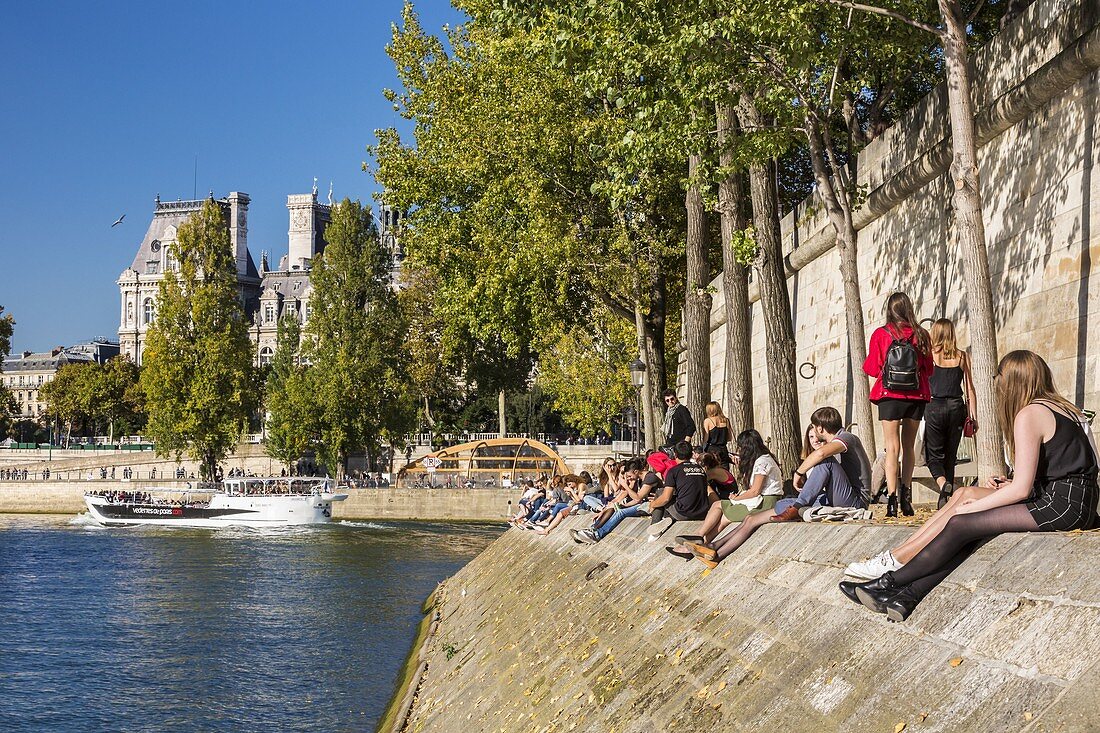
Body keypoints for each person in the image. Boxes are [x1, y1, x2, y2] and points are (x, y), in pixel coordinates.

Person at [841, 350, 1099, 622]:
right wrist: (1003, 485)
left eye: (999, 378)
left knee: (962, 524)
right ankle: (908, 595)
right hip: (1068, 499)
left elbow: (1022, 490)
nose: (997, 384)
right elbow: (1061, 467)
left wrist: (973, 508)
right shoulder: (1058, 407)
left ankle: (888, 583)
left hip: (1061, 506)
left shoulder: (1030, 414)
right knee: (967, 509)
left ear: (1011, 382)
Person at [689, 407, 870, 568]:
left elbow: (822, 454)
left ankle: (797, 507)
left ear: (821, 428)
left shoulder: (847, 437)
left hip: (855, 501)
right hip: (832, 498)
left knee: (825, 462)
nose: (813, 432)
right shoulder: (835, 442)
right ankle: (715, 550)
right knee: (753, 519)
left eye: (814, 428)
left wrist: (798, 473)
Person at [863, 292, 933, 517]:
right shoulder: (921, 334)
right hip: (915, 395)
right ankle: (906, 497)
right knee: (910, 448)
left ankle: (891, 499)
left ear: (889, 311)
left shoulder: (881, 334)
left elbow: (872, 368)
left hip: (889, 394)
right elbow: (929, 370)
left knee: (892, 448)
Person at [666, 430, 781, 558]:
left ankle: (697, 537)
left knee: (718, 505)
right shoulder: (762, 459)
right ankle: (698, 544)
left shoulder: (762, 462)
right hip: (761, 500)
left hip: (766, 502)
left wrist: (737, 498)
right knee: (723, 517)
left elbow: (755, 491)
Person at [924, 318, 977, 508]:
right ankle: (945, 499)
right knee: (950, 455)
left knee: (933, 456)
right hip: (956, 407)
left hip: (934, 407)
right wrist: (973, 415)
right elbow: (970, 389)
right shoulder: (962, 357)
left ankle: (943, 484)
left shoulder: (929, 356)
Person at [647, 441, 717, 540]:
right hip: (702, 513)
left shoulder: (673, 471)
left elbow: (666, 498)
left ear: (675, 454)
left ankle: (654, 529)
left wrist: (652, 504)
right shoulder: (700, 469)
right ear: (691, 454)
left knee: (660, 492)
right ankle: (668, 518)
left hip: (684, 513)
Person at [701, 402, 732, 467]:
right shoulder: (726, 420)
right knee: (725, 471)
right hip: (723, 449)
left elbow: (706, 439)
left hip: (712, 449)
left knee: (712, 470)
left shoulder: (708, 421)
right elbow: (729, 438)